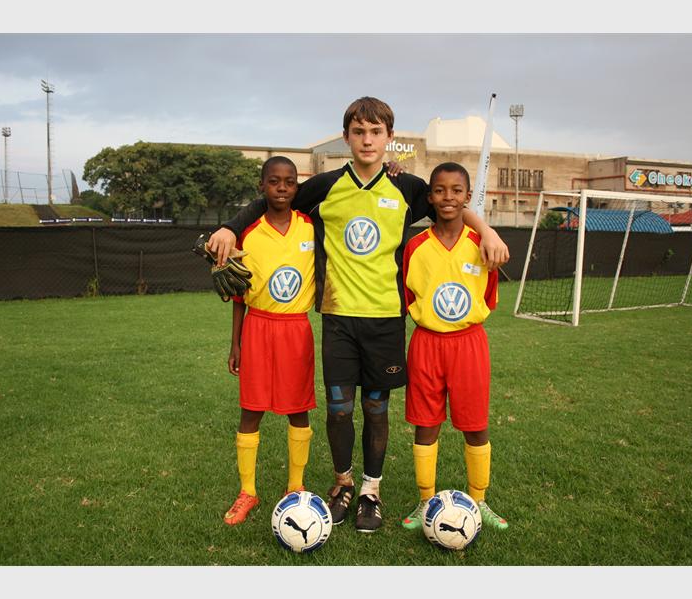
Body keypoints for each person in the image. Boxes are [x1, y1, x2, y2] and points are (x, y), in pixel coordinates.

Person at [208, 97, 509, 533]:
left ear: (390, 138)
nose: (367, 140)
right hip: (338, 318)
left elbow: (454, 207)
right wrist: (230, 227)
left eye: (376, 132)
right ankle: (343, 484)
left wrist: (487, 230)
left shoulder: (408, 188)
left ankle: (371, 490)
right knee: (338, 409)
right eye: (359, 132)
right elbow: (275, 201)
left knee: (376, 407)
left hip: (386, 320)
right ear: (347, 137)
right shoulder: (325, 186)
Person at [400, 162, 508, 531]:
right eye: (440, 190)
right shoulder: (415, 247)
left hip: (468, 343)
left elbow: (488, 297)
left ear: (467, 196)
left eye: (456, 190)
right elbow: (408, 296)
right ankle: (425, 500)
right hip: (427, 343)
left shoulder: (482, 245)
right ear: (430, 197)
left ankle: (479, 500)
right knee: (425, 422)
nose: (448, 197)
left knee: (475, 424)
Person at [222, 156, 317, 526]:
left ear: (297, 187)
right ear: (261, 186)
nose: (282, 187)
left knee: (298, 408)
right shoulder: (248, 232)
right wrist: (235, 343)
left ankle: (295, 485)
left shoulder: (311, 227)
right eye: (274, 181)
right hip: (258, 327)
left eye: (289, 181)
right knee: (251, 409)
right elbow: (239, 294)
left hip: (296, 328)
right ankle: (248, 490)